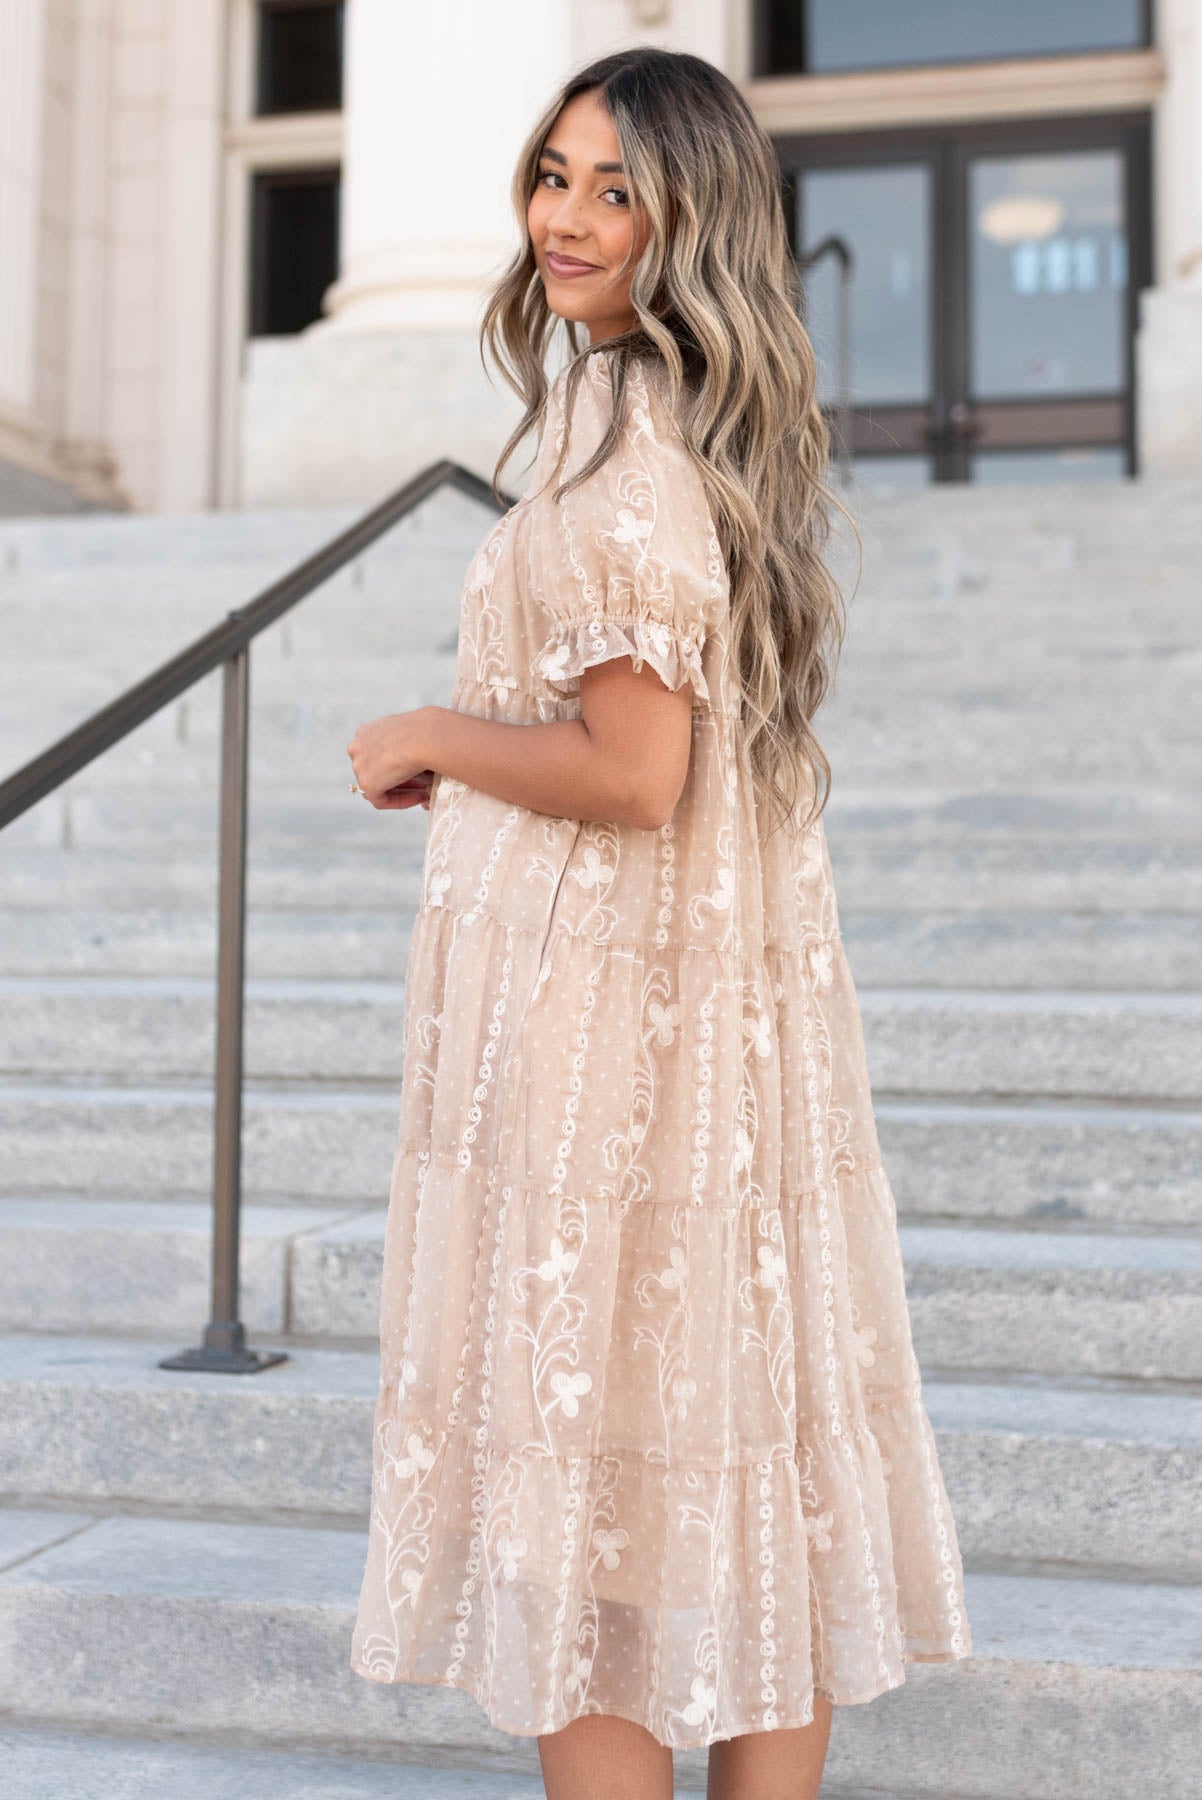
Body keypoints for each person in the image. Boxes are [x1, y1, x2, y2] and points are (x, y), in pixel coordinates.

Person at [346, 45, 972, 1800]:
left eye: (616, 188)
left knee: (588, 1484)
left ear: (693, 218)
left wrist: (424, 737)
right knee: (728, 1450)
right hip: (677, 1007)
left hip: (601, 1017)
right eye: (554, 173)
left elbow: (631, 768)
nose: (565, 216)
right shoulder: (664, 415)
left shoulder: (621, 449)